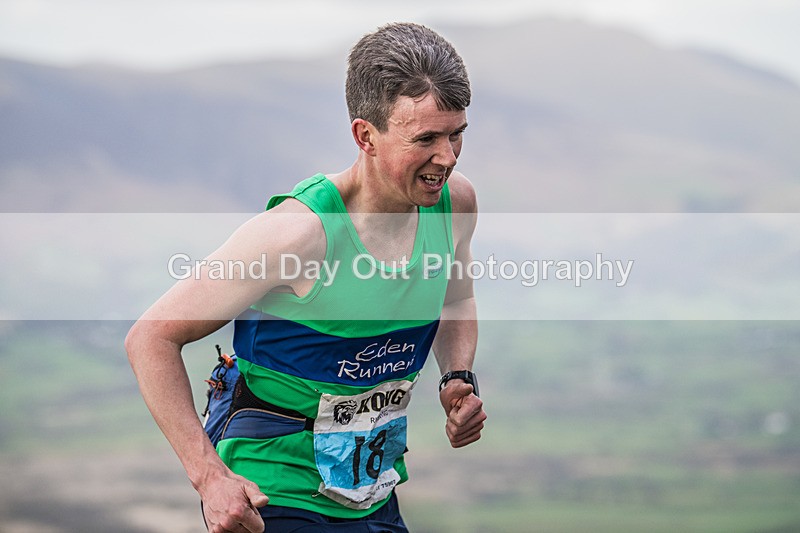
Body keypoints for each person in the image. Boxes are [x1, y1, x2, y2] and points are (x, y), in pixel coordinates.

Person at [126, 22, 486, 533]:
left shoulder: (455, 205)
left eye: (456, 134)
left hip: (371, 492)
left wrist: (456, 376)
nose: (446, 157)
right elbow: (150, 338)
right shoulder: (297, 235)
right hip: (273, 493)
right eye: (426, 138)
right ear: (365, 136)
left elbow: (455, 299)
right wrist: (210, 478)